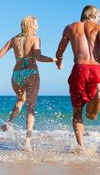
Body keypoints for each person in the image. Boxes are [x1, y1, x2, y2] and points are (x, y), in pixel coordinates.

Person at [55, 5, 100, 153]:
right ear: (92, 15)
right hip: (97, 70)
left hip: (80, 70)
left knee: (78, 113)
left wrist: (59, 61)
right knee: (92, 115)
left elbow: (60, 50)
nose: (99, 18)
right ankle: (99, 95)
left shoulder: (70, 27)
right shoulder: (99, 27)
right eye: (99, 16)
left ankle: (81, 147)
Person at [0, 16, 57, 151]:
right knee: (30, 108)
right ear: (30, 25)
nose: (38, 27)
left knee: (21, 99)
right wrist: (53, 60)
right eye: (36, 25)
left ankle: (9, 122)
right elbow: (38, 56)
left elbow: (0, 54)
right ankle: (27, 141)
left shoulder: (14, 39)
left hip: (16, 76)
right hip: (31, 73)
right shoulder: (35, 39)